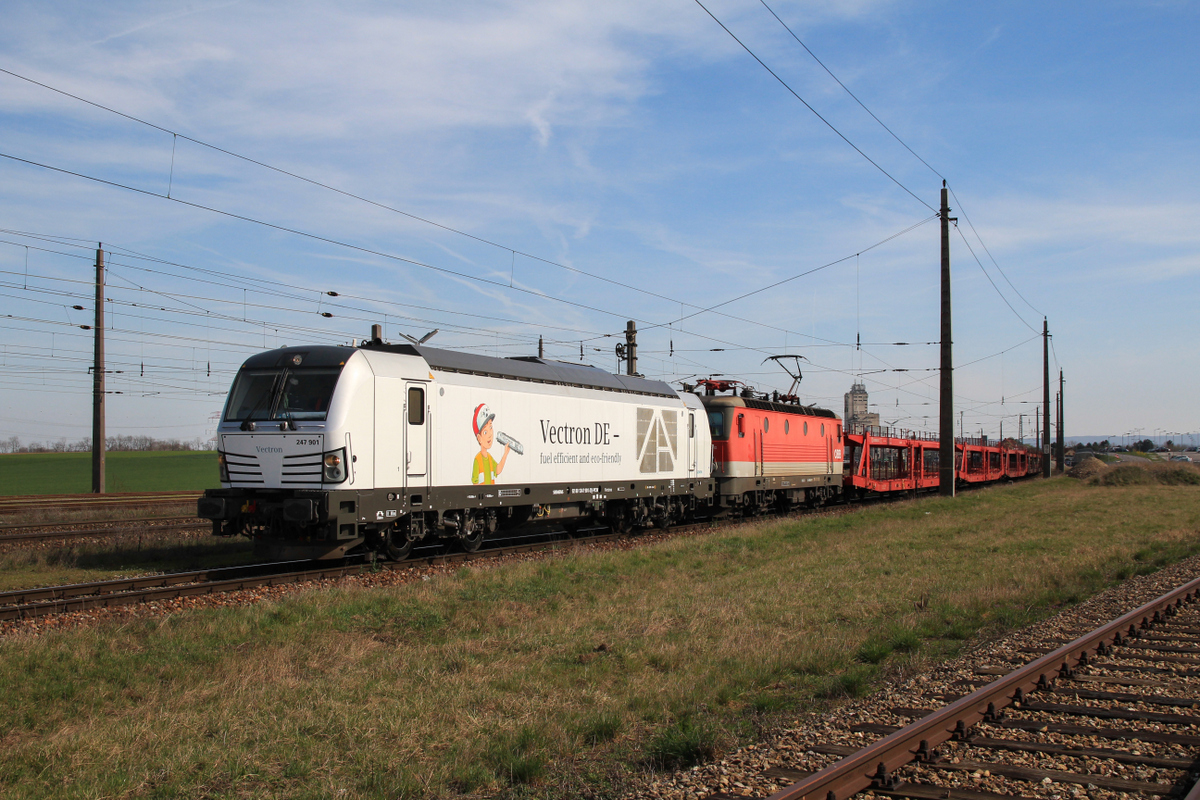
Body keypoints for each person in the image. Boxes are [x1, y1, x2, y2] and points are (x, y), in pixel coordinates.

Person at [471, 403, 510, 485]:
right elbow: (475, 484)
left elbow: (497, 470)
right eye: (485, 432)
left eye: (491, 427)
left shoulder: (489, 458)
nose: (490, 434)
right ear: (479, 438)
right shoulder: (477, 460)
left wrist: (506, 453)